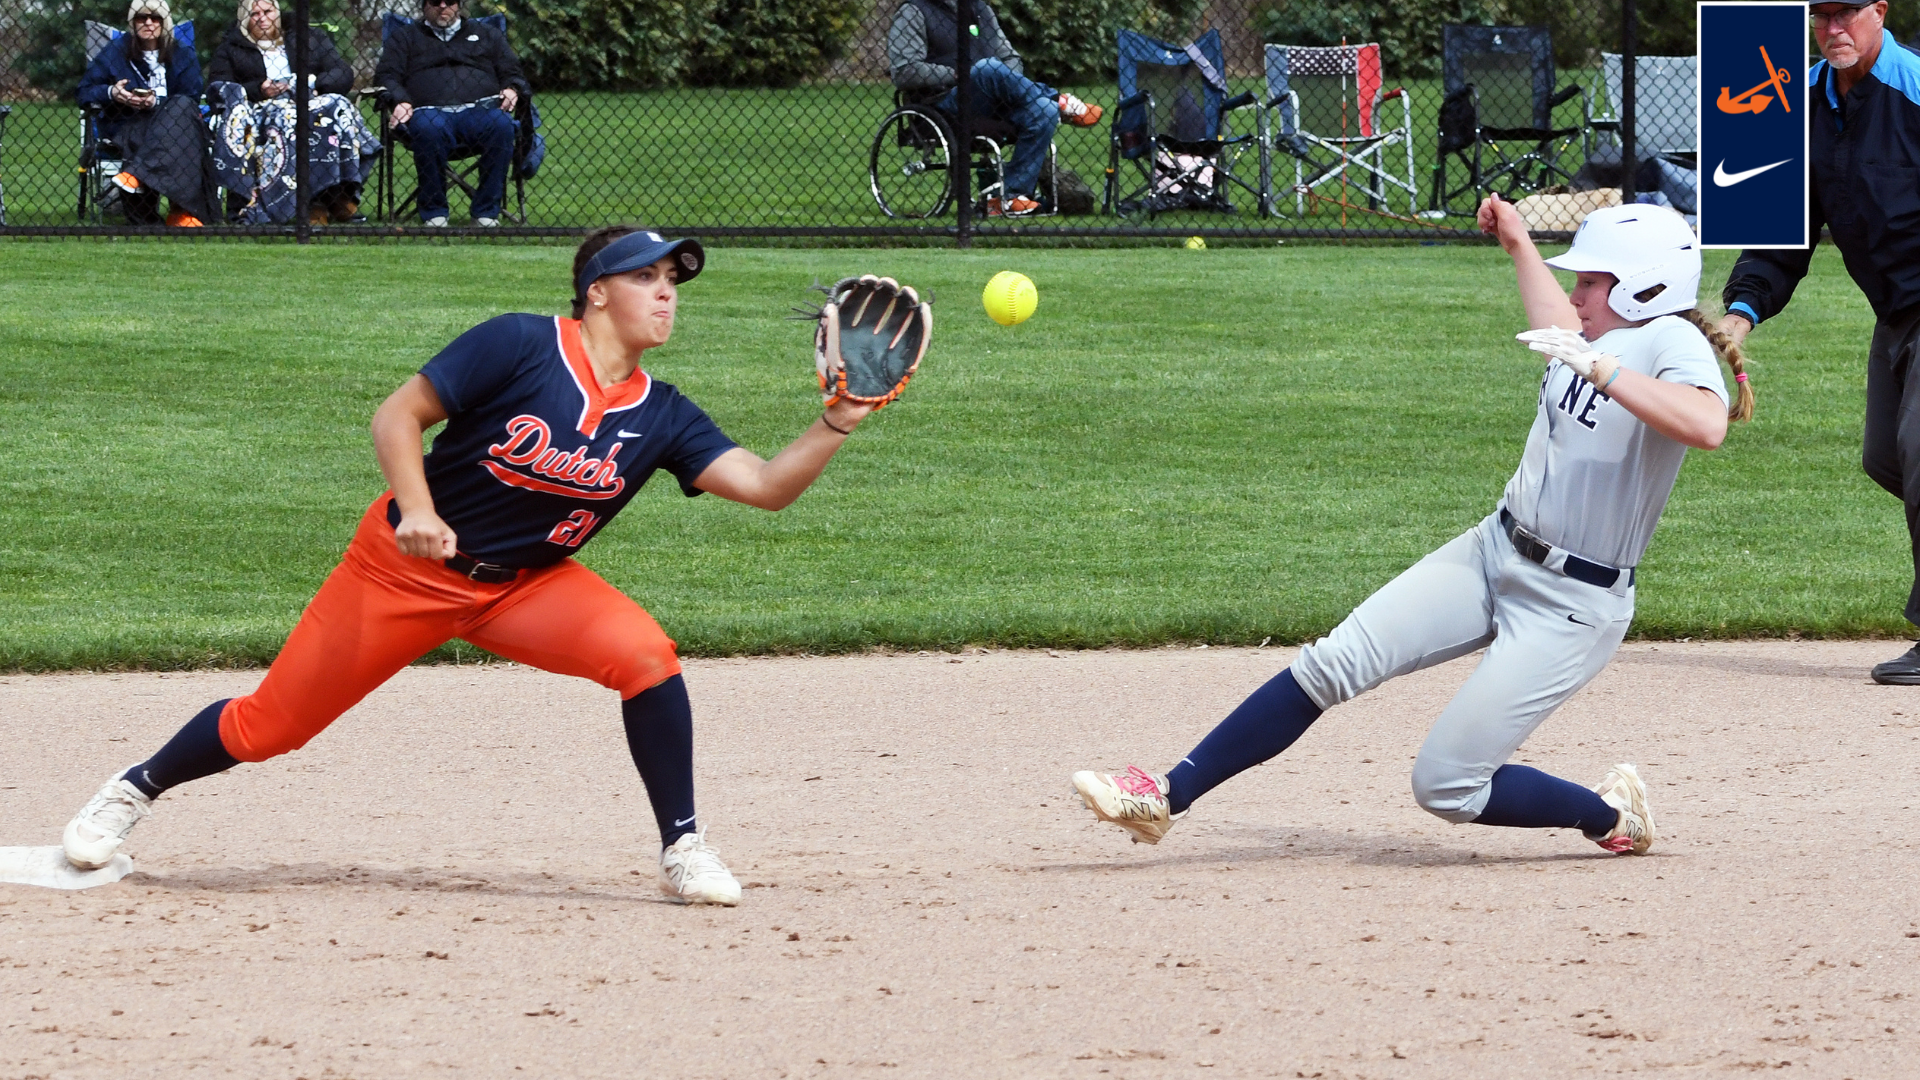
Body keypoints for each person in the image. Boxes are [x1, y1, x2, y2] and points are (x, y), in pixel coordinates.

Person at [59, 226, 894, 906]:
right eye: (648, 276)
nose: (668, 291)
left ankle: (684, 846)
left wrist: (841, 420)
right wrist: (417, 508)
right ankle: (133, 789)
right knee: (269, 726)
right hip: (399, 574)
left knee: (646, 657)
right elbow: (399, 416)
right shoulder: (521, 346)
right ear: (598, 290)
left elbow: (763, 486)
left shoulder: (663, 413)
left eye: (675, 279)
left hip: (528, 587)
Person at [1072, 200, 1754, 857]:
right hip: (1494, 551)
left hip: (1573, 606)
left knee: (1445, 784)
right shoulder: (1599, 337)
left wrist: (1601, 368)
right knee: (1333, 662)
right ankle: (1167, 794)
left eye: (1591, 281)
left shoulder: (1669, 339)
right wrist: (1518, 243)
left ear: (1642, 289)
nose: (1576, 296)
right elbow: (1560, 333)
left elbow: (1707, 424)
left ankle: (1611, 814)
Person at [1717, 0, 1920, 683]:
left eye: (1847, 14)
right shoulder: (1793, 100)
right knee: (1886, 459)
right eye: (1821, 15)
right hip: (1895, 314)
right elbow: (1783, 231)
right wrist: (1741, 311)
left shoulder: (1914, 91)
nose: (1833, 29)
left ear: (1880, 13)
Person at [887, 0, 1102, 216]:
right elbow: (904, 71)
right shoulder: (914, 11)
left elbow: (1010, 58)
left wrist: (1005, 82)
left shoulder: (980, 9)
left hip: (994, 101)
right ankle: (1058, 99)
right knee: (986, 68)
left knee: (1043, 109)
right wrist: (955, 74)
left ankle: (1010, 197)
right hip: (943, 102)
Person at [207, 0, 376, 223]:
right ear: (244, 19)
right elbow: (219, 86)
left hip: (311, 99)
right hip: (263, 110)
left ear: (277, 13)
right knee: (289, 119)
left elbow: (341, 71)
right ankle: (308, 204)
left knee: (339, 106)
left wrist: (316, 86)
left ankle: (338, 194)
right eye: (254, 14)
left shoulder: (307, 37)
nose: (261, 17)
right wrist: (259, 89)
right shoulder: (231, 48)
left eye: (267, 11)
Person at [373, 0, 529, 227]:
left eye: (450, 1)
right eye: (436, 1)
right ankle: (434, 211)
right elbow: (386, 76)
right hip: (428, 112)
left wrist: (511, 88)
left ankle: (486, 212)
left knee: (502, 125)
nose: (443, 6)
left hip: (480, 111)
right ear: (424, 5)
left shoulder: (487, 34)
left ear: (459, 5)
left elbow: (512, 71)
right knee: (428, 128)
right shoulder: (405, 37)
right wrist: (401, 101)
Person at [75, 0, 212, 226]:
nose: (148, 22)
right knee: (164, 132)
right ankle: (182, 213)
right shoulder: (115, 52)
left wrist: (156, 102)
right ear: (132, 22)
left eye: (155, 17)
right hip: (129, 122)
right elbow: (84, 91)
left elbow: (192, 96)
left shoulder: (182, 54)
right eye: (141, 17)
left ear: (164, 22)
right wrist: (113, 93)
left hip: (175, 125)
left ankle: (136, 174)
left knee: (181, 106)